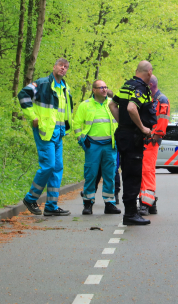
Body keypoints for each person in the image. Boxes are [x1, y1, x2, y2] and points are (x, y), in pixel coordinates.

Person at [17, 58, 74, 217]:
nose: (63, 68)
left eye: (66, 67)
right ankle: (30, 198)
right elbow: (22, 95)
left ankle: (51, 206)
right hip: (45, 131)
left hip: (59, 133)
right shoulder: (42, 83)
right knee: (48, 165)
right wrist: (32, 116)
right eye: (61, 65)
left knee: (57, 168)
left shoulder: (65, 88)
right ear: (54, 67)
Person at [109, 61, 155, 226]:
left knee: (127, 172)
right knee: (133, 175)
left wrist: (123, 124)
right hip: (132, 137)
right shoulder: (141, 88)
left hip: (123, 135)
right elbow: (131, 108)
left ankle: (131, 212)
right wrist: (141, 127)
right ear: (149, 72)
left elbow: (112, 104)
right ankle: (130, 214)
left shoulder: (125, 86)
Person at [72, 80, 122, 215]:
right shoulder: (85, 105)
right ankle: (88, 204)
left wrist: (119, 139)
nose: (104, 90)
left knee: (110, 175)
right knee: (91, 175)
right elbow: (76, 123)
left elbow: (120, 122)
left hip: (110, 145)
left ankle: (110, 203)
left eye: (106, 87)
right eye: (101, 87)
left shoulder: (112, 103)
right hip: (92, 145)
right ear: (94, 90)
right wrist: (81, 139)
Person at [139, 75, 169, 216]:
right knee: (145, 171)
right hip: (146, 139)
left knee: (147, 171)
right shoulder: (150, 99)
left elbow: (162, 121)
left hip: (151, 140)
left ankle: (145, 203)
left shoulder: (161, 100)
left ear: (150, 84)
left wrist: (155, 136)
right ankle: (151, 203)